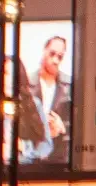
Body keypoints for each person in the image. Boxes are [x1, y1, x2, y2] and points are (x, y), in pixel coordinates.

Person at [31, 36, 71, 164]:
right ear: (44, 51)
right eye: (52, 54)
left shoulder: (70, 86)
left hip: (59, 157)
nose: (55, 60)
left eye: (60, 57)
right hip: (30, 155)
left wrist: (62, 127)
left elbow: (81, 122)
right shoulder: (27, 83)